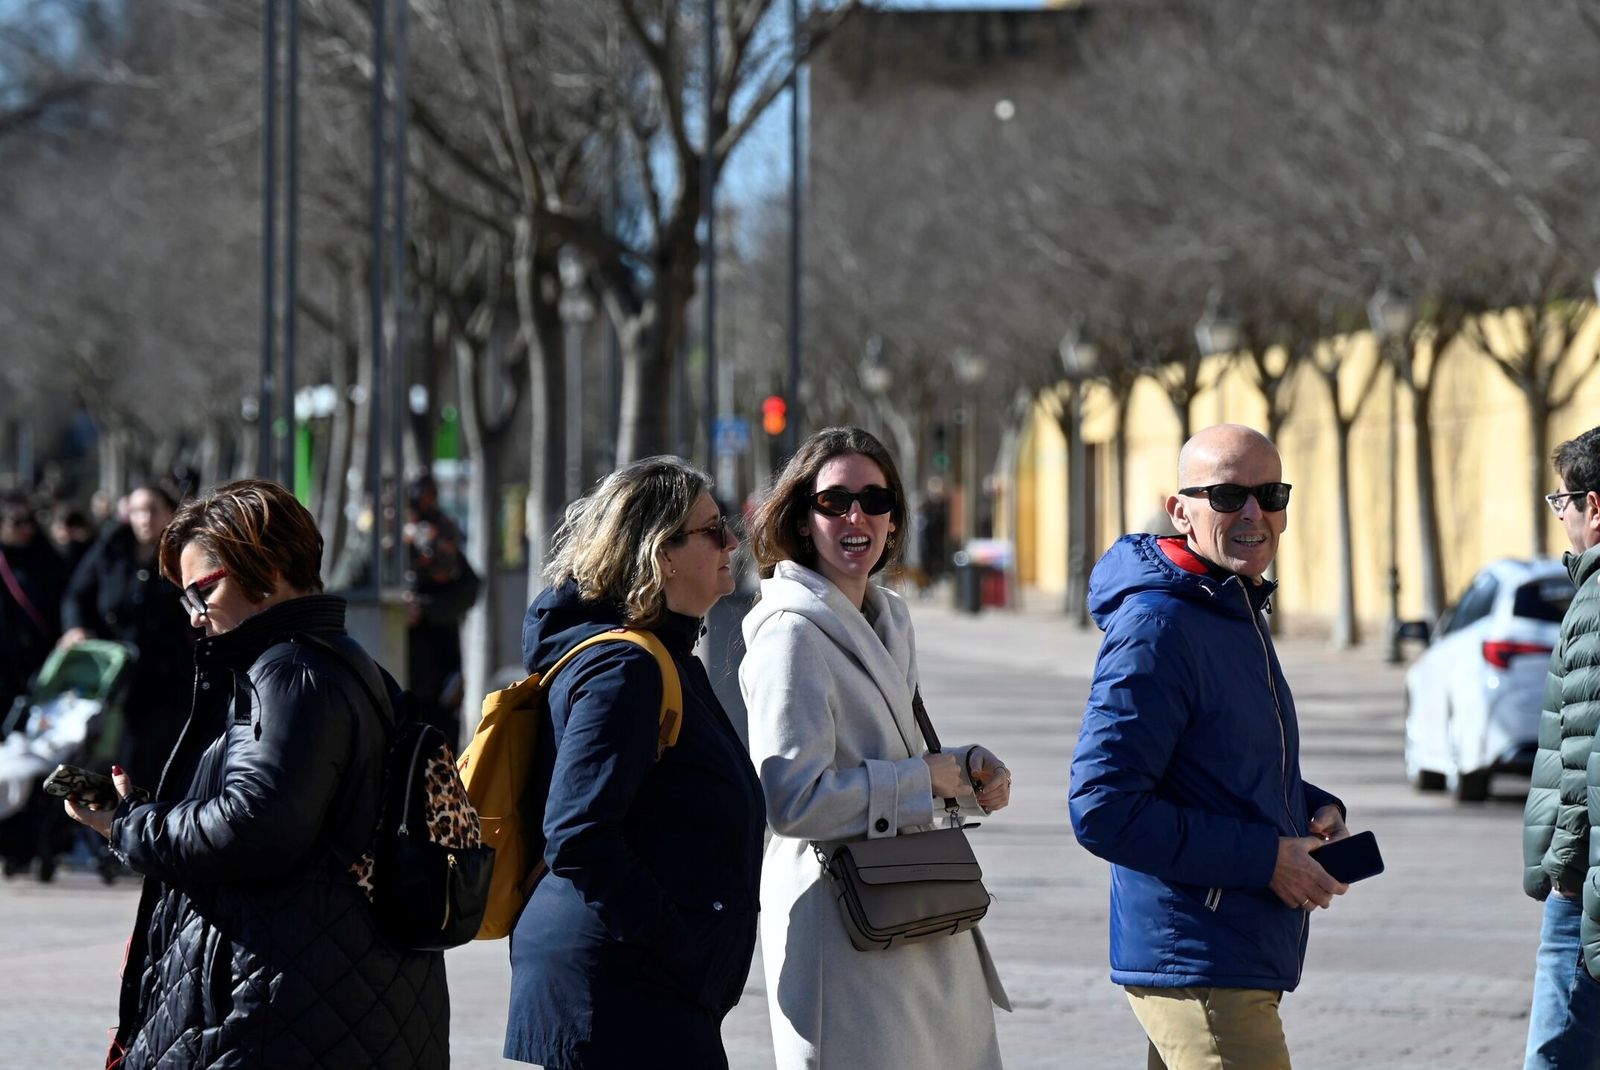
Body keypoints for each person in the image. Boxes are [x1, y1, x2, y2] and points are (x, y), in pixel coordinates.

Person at [64, 479, 449, 1069]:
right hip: (324, 990)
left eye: (204, 592)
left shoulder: (289, 674)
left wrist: (131, 825)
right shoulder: (337, 661)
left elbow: (254, 827)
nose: (196, 618)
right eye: (186, 601)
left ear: (265, 569)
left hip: (278, 1003)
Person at [1069, 423, 1350, 1070]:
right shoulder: (1159, 625)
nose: (1253, 513)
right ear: (1180, 511)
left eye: (1270, 494)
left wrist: (1310, 806)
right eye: (1226, 495)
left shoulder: (1229, 607)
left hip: (1229, 952)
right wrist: (1266, 857)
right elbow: (1102, 807)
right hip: (1200, 959)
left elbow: (1220, 762)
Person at [741, 426, 1013, 1070]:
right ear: (802, 519)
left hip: (913, 906)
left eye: (875, 499)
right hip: (843, 917)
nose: (855, 516)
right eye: (833, 501)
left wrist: (965, 772)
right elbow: (792, 803)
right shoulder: (789, 635)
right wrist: (925, 779)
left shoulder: (888, 616)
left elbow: (895, 747)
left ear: (894, 519)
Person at [505, 456, 764, 1069]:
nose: (732, 542)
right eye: (712, 529)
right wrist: (677, 944)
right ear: (661, 552)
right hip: (620, 993)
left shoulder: (664, 656)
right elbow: (578, 833)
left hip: (640, 985)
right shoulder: (627, 669)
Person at [1523, 425, 1600, 1069]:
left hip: (1585, 893)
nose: (1561, 517)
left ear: (1592, 506)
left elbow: (1585, 758)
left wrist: (1565, 876)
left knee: (1554, 1056)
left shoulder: (1595, 601)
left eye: (1562, 502)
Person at [58, 484, 194, 786]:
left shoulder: (184, 552)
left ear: (169, 512)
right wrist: (75, 627)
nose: (145, 518)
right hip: (113, 677)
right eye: (137, 511)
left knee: (153, 766)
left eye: (152, 510)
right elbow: (76, 595)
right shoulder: (110, 547)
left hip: (166, 680)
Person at [404, 472, 479, 746]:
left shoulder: (443, 533)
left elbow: (468, 589)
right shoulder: (394, 538)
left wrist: (425, 610)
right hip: (403, 665)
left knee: (442, 743)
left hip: (441, 664)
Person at [0, 493, 66, 735]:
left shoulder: (48, 559)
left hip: (42, 665)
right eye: (17, 523)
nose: (26, 529)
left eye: (30, 521)